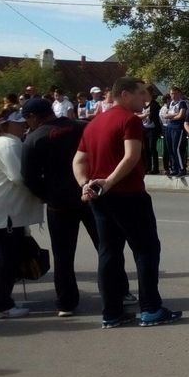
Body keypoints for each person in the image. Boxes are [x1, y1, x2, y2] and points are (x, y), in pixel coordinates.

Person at [73, 78, 181, 328]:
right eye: (141, 93)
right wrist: (109, 182)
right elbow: (131, 156)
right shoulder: (129, 120)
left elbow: (79, 160)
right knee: (146, 250)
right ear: (124, 94)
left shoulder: (94, 123)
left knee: (108, 253)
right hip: (129, 195)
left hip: (100, 198)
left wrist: (85, 184)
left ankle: (111, 313)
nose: (146, 98)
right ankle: (151, 309)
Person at [21, 98, 125, 318]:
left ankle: (66, 302)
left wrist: (46, 195)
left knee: (63, 255)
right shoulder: (82, 127)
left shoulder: (34, 139)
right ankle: (119, 292)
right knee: (106, 247)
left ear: (32, 117)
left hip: (59, 204)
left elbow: (28, 177)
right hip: (92, 196)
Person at [0, 109, 43, 319]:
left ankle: (4, 299)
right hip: (7, 213)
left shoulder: (7, 143)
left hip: (5, 212)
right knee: (8, 259)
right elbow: (18, 177)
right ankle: (3, 304)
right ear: (5, 125)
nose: (22, 125)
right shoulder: (8, 144)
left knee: (6, 258)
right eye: (17, 123)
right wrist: (42, 190)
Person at [162, 86, 189, 177]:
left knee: (176, 149)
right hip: (169, 127)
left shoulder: (182, 103)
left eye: (175, 93)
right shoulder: (170, 103)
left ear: (179, 93)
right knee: (170, 149)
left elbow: (181, 115)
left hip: (178, 128)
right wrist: (175, 114)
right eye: (172, 93)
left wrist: (171, 116)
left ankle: (182, 168)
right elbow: (165, 115)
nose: (173, 95)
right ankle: (175, 168)